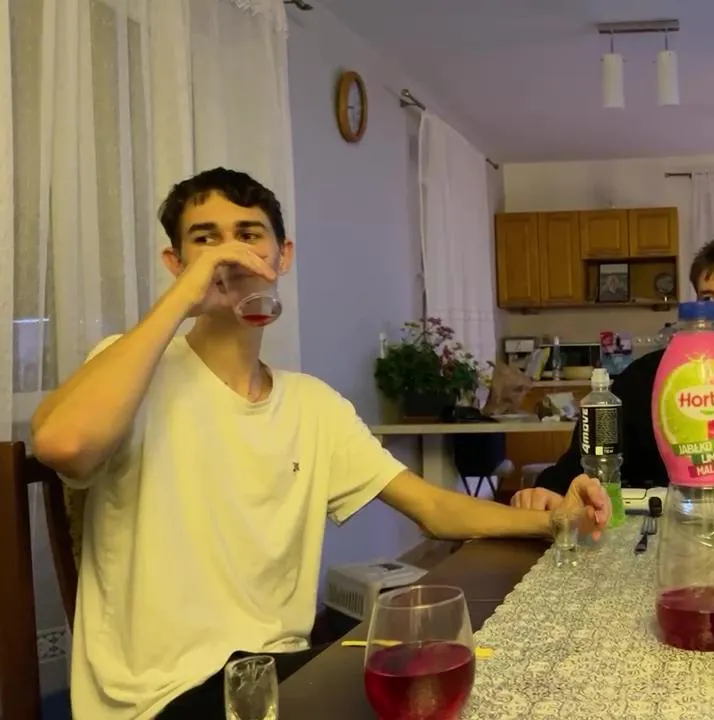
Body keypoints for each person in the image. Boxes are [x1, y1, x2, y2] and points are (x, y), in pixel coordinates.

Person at [30, 168, 610, 720]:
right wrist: (182, 299)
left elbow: (433, 508)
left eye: (248, 236)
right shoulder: (128, 370)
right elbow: (64, 444)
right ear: (175, 263)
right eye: (205, 241)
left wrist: (553, 520)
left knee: (485, 674)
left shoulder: (313, 405)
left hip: (277, 674)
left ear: (282, 257)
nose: (228, 255)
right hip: (161, 699)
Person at [513, 234, 714, 509]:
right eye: (709, 298)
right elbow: (580, 469)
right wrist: (547, 492)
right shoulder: (644, 380)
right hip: (670, 537)